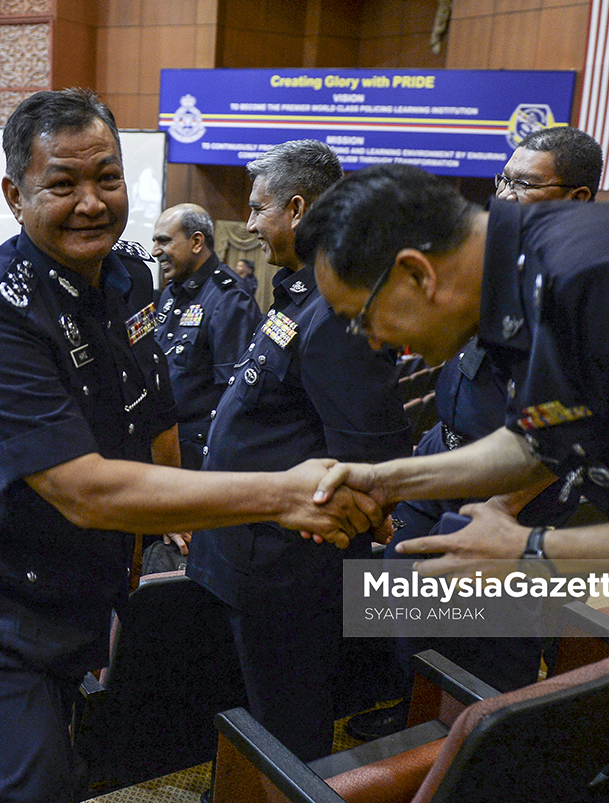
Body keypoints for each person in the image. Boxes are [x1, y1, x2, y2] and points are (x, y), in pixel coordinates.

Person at [0, 89, 378, 803]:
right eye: (62, 184)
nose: (91, 201)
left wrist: (167, 524)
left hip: (82, 576)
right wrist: (281, 495)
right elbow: (85, 490)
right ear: (14, 192)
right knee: (36, 782)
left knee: (73, 741)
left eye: (107, 177)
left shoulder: (128, 277)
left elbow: (154, 412)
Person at [300, 163, 609, 802]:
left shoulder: (605, 280)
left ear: (418, 273)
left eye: (361, 317)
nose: (373, 341)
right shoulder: (529, 270)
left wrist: (527, 553)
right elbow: (540, 439)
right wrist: (388, 480)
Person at [363, 126, 603, 730]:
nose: (504, 196)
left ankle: (483, 743)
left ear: (575, 199)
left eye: (521, 184)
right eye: (503, 179)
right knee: (409, 612)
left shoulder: (580, 290)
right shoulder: (509, 266)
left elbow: (569, 434)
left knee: (489, 642)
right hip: (446, 461)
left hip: (510, 495)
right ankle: (411, 716)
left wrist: (497, 510)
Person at [186, 140, 413, 762]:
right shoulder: (299, 293)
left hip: (286, 568)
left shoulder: (339, 310)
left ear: (297, 207)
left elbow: (366, 457)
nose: (251, 225)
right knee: (246, 712)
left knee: (287, 723)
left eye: (258, 210)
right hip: (245, 550)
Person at [152, 203, 260, 469]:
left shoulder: (229, 298)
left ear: (196, 242)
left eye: (164, 241)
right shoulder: (171, 292)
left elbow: (234, 396)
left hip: (199, 454)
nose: (155, 252)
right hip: (165, 442)